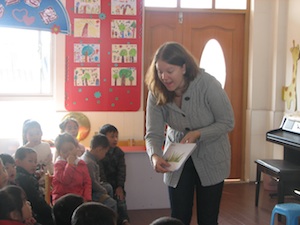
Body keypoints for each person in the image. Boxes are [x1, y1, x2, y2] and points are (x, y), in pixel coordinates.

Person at [144, 42, 235, 225]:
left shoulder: (207, 84)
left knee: (208, 219)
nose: (164, 77)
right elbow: (153, 133)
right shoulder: (156, 90)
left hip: (212, 155)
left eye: (170, 71)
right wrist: (154, 155)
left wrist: (198, 133)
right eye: (160, 71)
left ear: (184, 67)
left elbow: (227, 122)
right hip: (177, 156)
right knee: (178, 216)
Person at [99, 124, 130, 225]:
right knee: (108, 203)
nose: (115, 139)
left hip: (116, 183)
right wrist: (106, 188)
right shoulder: (100, 152)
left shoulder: (119, 152)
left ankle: (124, 220)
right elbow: (100, 172)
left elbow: (122, 171)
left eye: (117, 136)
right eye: (112, 136)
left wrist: (120, 186)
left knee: (120, 199)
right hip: (104, 184)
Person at [14, 147, 54, 225]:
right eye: (30, 161)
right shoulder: (26, 179)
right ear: (18, 162)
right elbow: (37, 201)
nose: (34, 164)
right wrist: (51, 212)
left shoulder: (21, 176)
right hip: (34, 214)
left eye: (35, 162)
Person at [81, 134, 117, 212]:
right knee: (112, 203)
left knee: (109, 187)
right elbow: (92, 183)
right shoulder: (89, 162)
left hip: (93, 188)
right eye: (105, 152)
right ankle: (109, 217)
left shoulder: (89, 158)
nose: (104, 155)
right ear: (99, 149)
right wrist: (103, 190)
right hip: (90, 192)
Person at [52, 133, 92, 204]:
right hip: (62, 199)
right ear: (59, 153)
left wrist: (87, 198)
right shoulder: (58, 165)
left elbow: (87, 182)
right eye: (65, 151)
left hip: (79, 198)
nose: (69, 153)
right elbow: (65, 180)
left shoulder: (81, 163)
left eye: (71, 149)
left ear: (76, 147)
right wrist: (70, 164)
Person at [22, 119, 53, 193]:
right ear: (26, 136)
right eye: (31, 135)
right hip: (33, 182)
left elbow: (49, 162)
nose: (35, 137)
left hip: (47, 180)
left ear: (41, 133)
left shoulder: (46, 146)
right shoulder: (24, 150)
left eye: (37, 133)